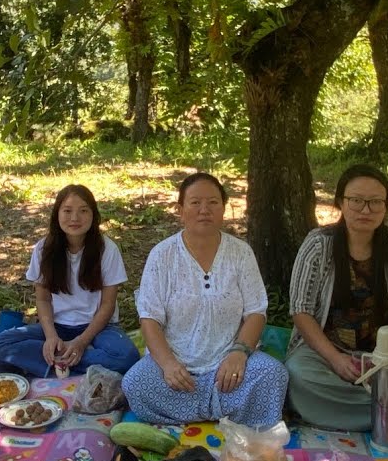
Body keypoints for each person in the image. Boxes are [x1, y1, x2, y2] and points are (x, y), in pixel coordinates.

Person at [285, 164, 388, 432]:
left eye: (375, 203)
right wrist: (336, 359)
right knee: (299, 376)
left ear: (386, 207)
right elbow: (300, 311)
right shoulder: (318, 244)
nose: (365, 210)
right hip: (326, 352)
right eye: (357, 201)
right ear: (341, 202)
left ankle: (359, 409)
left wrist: (384, 359)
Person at [121, 172, 288, 427]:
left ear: (223, 208)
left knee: (273, 375)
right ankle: (225, 414)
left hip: (228, 369)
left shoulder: (240, 252)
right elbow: (149, 318)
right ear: (180, 210)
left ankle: (193, 414)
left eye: (212, 203)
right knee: (135, 384)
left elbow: (256, 311)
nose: (204, 210)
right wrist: (167, 364)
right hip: (178, 367)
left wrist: (239, 353)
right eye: (195, 203)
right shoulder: (162, 255)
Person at [0, 185, 140, 377]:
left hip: (98, 328)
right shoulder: (43, 249)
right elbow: (43, 300)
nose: (75, 218)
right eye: (67, 211)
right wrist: (51, 337)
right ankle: (70, 359)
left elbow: (108, 305)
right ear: (56, 214)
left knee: (127, 357)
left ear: (94, 215)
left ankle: (56, 362)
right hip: (57, 325)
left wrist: (82, 342)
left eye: (83, 211)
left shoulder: (107, 249)